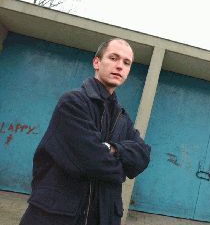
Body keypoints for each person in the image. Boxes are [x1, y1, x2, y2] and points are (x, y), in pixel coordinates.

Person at [19, 38, 151, 225]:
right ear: (96, 62)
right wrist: (122, 169)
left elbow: (143, 156)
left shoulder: (122, 118)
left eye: (126, 62)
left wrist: (113, 149)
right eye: (113, 58)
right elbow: (90, 162)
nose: (119, 66)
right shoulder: (73, 103)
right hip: (57, 217)